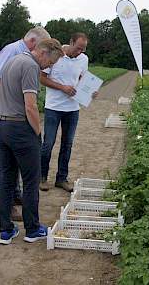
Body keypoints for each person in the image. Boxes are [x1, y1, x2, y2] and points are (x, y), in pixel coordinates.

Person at [0, 39, 64, 245]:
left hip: (1, 125)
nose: (49, 66)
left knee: (7, 180)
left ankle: (5, 231)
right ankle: (32, 229)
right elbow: (31, 106)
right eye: (51, 61)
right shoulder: (31, 66)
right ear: (43, 52)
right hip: (20, 129)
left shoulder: (12, 60)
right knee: (31, 181)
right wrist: (37, 132)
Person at [0, 27, 51, 221]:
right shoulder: (12, 51)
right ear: (34, 42)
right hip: (5, 111)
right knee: (5, 164)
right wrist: (3, 103)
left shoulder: (24, 56)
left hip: (11, 112)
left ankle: (15, 198)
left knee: (13, 161)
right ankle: (4, 206)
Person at [40, 33, 96, 192]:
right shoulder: (55, 54)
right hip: (53, 107)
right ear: (71, 42)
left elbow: (82, 80)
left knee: (67, 144)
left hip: (72, 109)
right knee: (48, 143)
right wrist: (62, 87)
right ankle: (42, 177)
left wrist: (90, 91)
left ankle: (61, 178)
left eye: (83, 49)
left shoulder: (83, 59)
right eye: (78, 48)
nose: (80, 51)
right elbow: (42, 78)